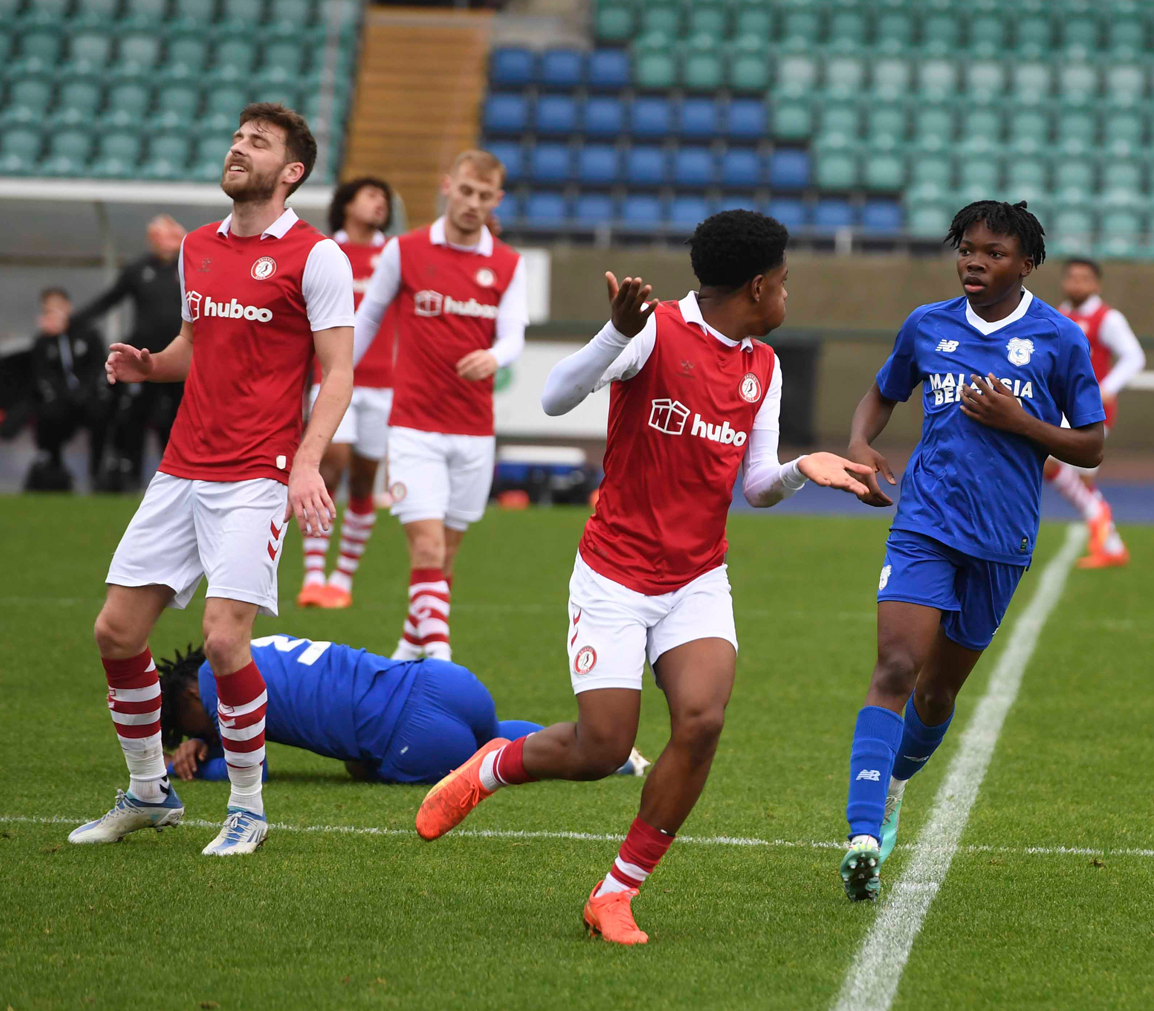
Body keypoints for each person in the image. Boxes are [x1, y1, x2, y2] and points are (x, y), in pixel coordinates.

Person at [409, 211, 877, 946]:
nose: (789, 295)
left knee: (702, 721)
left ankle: (616, 892)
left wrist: (801, 471)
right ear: (758, 286)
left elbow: (754, 486)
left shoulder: (764, 365)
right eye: (785, 283)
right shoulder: (654, 329)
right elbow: (554, 397)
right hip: (614, 577)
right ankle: (493, 767)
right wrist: (617, 333)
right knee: (601, 749)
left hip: (696, 579)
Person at [69, 103, 354, 857]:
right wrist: (151, 365)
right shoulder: (197, 246)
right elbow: (197, 343)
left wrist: (304, 463)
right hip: (181, 469)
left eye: (256, 144)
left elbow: (338, 372)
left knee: (225, 641)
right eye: (236, 137)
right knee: (116, 631)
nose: (237, 149)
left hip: (256, 477)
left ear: (290, 171)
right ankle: (148, 794)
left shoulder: (317, 256)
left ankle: (249, 808)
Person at [836, 200, 1107, 901]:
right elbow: (881, 393)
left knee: (937, 689)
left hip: (1003, 538)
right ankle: (863, 832)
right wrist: (861, 441)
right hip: (924, 522)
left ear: (1026, 264)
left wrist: (1022, 422)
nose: (974, 263)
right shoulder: (927, 325)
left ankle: (894, 784)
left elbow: (1093, 443)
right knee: (896, 664)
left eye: (992, 253)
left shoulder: (1060, 339)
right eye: (966, 250)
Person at [352, 152, 526, 661]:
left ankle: (405, 658)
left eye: (484, 195)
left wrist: (492, 356)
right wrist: (327, 383)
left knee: (445, 557)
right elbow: (365, 322)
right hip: (413, 426)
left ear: (497, 200)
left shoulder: (507, 264)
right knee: (425, 549)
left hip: (474, 431)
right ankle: (443, 669)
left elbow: (514, 334)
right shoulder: (404, 252)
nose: (472, 203)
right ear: (448, 186)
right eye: (466, 191)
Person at [157, 635, 641, 785]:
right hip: (444, 681)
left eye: (185, 727)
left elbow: (252, 771)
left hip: (414, 735)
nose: (191, 736)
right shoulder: (248, 646)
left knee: (359, 767)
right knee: (492, 733)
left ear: (192, 699)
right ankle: (615, 756)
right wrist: (208, 741)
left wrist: (200, 771)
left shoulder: (216, 685)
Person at [297, 177, 398, 608]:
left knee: (362, 481)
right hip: (333, 376)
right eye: (371, 195)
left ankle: (343, 578)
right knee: (329, 466)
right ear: (347, 203)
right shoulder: (323, 251)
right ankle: (314, 574)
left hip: (383, 384)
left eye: (384, 199)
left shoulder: (393, 254)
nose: (380, 204)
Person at [1043, 256, 1146, 568]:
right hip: (1062, 407)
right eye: (1071, 277)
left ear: (1096, 284)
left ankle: (1098, 517)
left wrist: (1108, 386)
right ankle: (1111, 545)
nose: (1077, 284)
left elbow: (1134, 356)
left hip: (1090, 411)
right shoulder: (1057, 315)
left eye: (1084, 278)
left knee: (1047, 459)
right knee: (1082, 482)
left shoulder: (1107, 318)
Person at [73, 215, 187, 491]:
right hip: (143, 360)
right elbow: (111, 298)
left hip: (180, 359)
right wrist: (75, 321)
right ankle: (133, 476)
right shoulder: (138, 270)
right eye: (162, 235)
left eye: (173, 235)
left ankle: (177, 477)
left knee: (178, 418)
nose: (168, 241)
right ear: (152, 239)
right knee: (135, 416)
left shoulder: (190, 268)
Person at [3, 288, 109, 491]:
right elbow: (41, 375)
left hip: (87, 398)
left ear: (68, 308)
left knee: (101, 414)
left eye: (58, 308)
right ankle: (54, 472)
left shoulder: (88, 334)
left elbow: (98, 367)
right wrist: (63, 394)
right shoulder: (43, 342)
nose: (54, 313)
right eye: (48, 310)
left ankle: (98, 473)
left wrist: (84, 391)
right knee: (48, 416)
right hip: (61, 401)